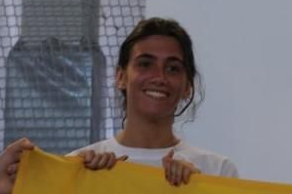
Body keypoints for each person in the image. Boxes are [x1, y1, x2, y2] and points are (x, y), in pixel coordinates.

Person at [69, 17, 238, 185]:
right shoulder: (77, 166)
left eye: (173, 68)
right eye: (145, 64)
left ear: (188, 86)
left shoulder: (218, 171)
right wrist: (86, 185)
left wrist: (200, 189)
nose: (159, 77)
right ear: (121, 77)